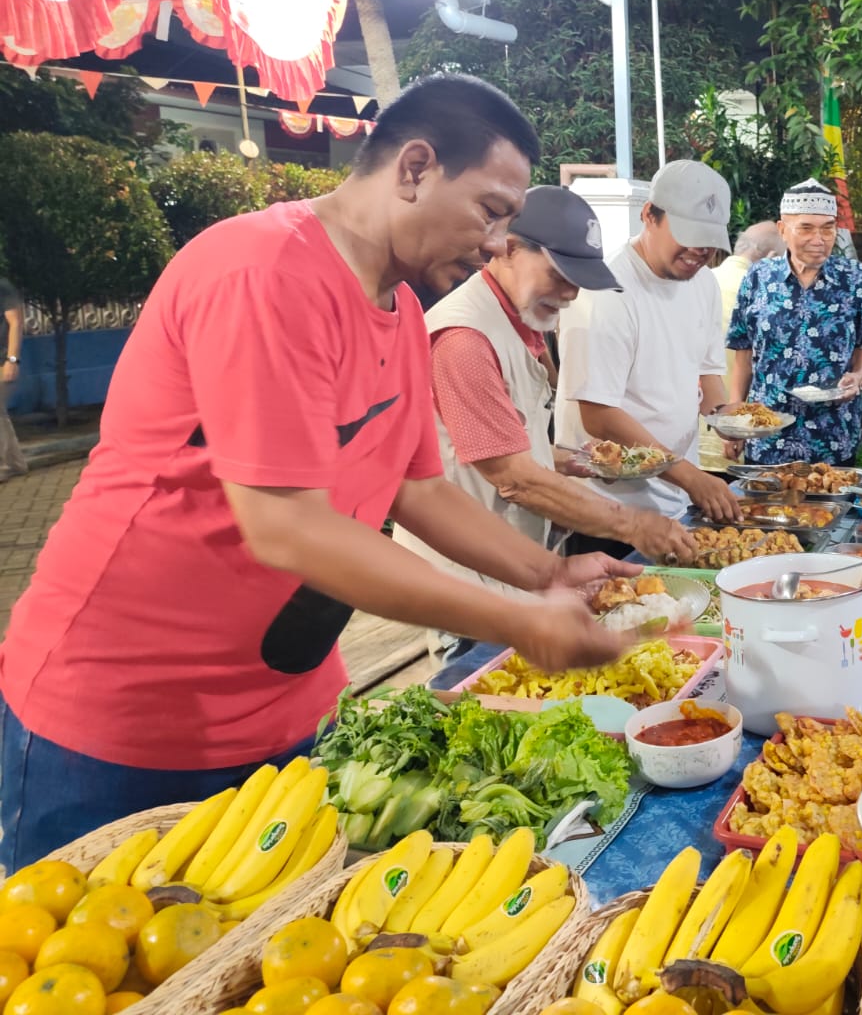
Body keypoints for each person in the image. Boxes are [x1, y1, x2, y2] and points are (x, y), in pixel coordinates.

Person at [0, 75, 631, 868]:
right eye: (491, 211)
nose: (497, 241)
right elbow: (287, 526)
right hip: (125, 715)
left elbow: (418, 486)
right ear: (414, 167)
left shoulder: (400, 310)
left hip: (285, 706)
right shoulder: (263, 272)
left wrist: (550, 575)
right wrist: (514, 623)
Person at [393, 185, 697, 590]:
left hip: (510, 566)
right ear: (509, 248)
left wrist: (564, 460)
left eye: (578, 281)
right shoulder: (465, 339)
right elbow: (512, 477)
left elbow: (488, 444)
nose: (570, 294)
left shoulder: (518, 322)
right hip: (464, 580)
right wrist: (633, 525)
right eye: (558, 275)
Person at [556, 159, 743, 556]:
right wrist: (690, 476)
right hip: (607, 512)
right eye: (689, 235)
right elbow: (599, 415)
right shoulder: (605, 293)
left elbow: (707, 370)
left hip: (675, 501)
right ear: (649, 216)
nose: (699, 251)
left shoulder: (703, 283)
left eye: (709, 240)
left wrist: (728, 419)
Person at [727, 181, 862, 466]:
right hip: (768, 435)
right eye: (806, 228)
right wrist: (737, 423)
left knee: (831, 510)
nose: (819, 238)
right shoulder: (758, 278)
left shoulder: (855, 278)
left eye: (828, 228)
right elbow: (743, 355)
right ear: (782, 230)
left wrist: (859, 375)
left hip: (834, 434)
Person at [700, 221, 783, 473]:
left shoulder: (702, 282)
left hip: (696, 436)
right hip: (742, 434)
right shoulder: (766, 294)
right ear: (771, 258)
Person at [0, 275, 25, 482]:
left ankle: (4, 465)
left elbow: (16, 322)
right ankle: (15, 463)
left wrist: (12, 359)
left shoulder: (2, 286)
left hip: (2, 359)